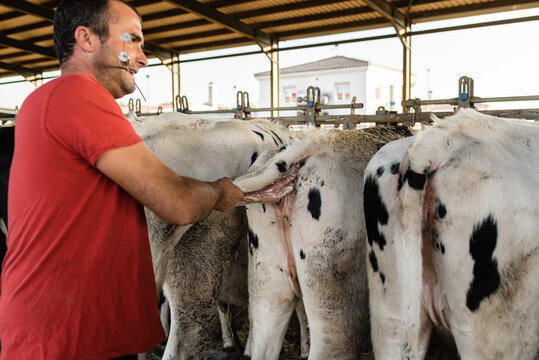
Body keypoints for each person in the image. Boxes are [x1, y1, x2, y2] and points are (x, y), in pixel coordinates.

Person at [0, 0, 256, 359]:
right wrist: (219, 190)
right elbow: (177, 202)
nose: (143, 57)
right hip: (70, 336)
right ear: (86, 39)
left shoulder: (41, 100)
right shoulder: (79, 95)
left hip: (58, 325)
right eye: (132, 40)